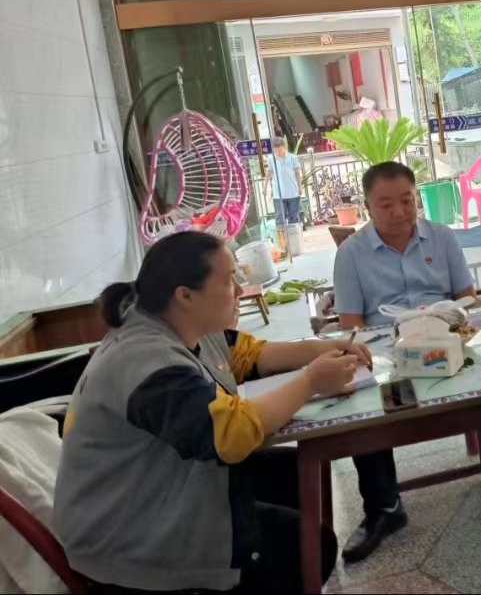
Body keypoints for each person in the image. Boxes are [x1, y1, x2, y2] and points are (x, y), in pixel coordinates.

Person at [54, 232, 370, 593]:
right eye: (229, 279)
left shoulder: (178, 323)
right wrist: (311, 381)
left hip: (160, 487)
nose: (240, 290)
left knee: (293, 472)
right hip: (130, 538)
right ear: (185, 295)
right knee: (309, 547)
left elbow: (249, 356)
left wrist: (325, 348)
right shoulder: (146, 361)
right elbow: (229, 435)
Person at [332, 161, 481, 563]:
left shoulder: (442, 237)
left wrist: (452, 323)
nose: (399, 212)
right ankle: (384, 508)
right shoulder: (351, 253)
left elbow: (467, 300)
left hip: (447, 337)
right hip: (388, 352)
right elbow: (351, 327)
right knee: (362, 404)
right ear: (368, 207)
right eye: (386, 205)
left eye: (407, 200)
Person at [264, 137, 303, 246]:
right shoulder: (271, 159)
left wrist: (300, 187)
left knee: (294, 218)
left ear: (284, 147)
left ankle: (294, 242)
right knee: (280, 218)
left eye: (280, 150)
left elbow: (298, 173)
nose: (278, 152)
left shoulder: (292, 158)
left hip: (293, 193)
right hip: (278, 194)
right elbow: (269, 173)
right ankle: (282, 243)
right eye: (275, 151)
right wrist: (265, 187)